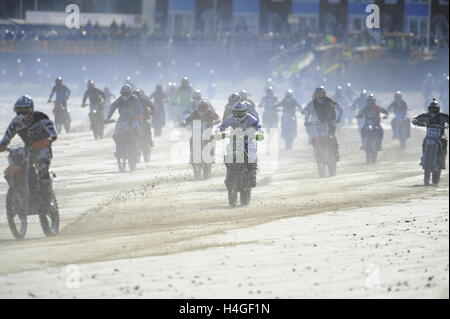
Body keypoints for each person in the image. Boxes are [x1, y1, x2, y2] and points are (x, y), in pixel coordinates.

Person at [0, 96, 57, 199]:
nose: (22, 113)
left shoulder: (41, 117)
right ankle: (21, 192)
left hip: (42, 148)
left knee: (43, 170)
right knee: (18, 167)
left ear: (31, 109)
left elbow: (52, 133)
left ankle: (47, 199)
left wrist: (48, 140)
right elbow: (6, 137)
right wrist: (2, 145)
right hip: (28, 150)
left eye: (25, 110)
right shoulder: (15, 122)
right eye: (19, 110)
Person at [219, 102, 262, 188]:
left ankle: (252, 173)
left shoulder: (250, 118)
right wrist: (219, 132)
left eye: (240, 112)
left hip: (248, 140)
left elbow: (258, 125)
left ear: (245, 111)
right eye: (236, 112)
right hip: (234, 140)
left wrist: (253, 130)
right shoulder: (230, 118)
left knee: (251, 151)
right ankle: (228, 174)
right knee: (228, 152)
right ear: (233, 112)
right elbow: (222, 126)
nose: (238, 114)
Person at [105, 85, 144, 161]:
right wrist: (108, 118)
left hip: (133, 119)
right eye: (123, 93)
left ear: (129, 93)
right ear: (121, 93)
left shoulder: (134, 99)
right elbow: (113, 107)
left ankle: (137, 149)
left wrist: (139, 116)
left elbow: (140, 108)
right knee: (116, 135)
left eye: (126, 93)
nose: (124, 95)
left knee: (137, 132)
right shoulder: (119, 99)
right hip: (122, 120)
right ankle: (118, 150)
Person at [303, 87, 341, 160]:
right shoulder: (312, 103)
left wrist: (336, 119)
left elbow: (338, 109)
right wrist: (307, 121)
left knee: (332, 136)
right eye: (317, 95)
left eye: (321, 94)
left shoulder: (329, 102)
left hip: (329, 123)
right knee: (314, 137)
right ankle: (317, 152)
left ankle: (335, 152)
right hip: (317, 124)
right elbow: (307, 112)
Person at [412, 99, 449, 169]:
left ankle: (442, 161)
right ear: (429, 109)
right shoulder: (426, 115)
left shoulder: (443, 116)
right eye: (431, 109)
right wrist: (416, 121)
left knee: (444, 142)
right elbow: (416, 118)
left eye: (435, 109)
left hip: (441, 135)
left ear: (438, 109)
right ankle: (424, 156)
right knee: (424, 142)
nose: (433, 111)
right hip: (429, 135)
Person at [181, 99, 220, 165]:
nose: (202, 110)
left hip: (208, 134)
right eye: (200, 108)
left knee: (213, 138)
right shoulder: (195, 113)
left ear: (207, 108)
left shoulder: (210, 113)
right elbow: (187, 119)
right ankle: (192, 157)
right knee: (191, 139)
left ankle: (212, 157)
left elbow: (218, 117)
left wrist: (216, 121)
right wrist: (184, 122)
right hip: (197, 134)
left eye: (203, 108)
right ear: (198, 108)